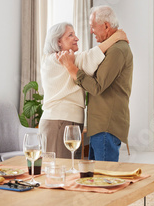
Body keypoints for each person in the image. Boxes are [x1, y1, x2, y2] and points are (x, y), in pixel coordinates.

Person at [39, 22, 127, 159]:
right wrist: (116, 37)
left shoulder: (69, 59)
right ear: (58, 42)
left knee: (70, 169)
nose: (76, 38)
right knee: (60, 170)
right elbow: (91, 57)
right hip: (58, 121)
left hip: (68, 121)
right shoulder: (56, 59)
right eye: (70, 35)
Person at [59, 5, 133, 162]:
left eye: (93, 27)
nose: (91, 31)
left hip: (106, 126)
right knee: (94, 178)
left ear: (106, 25)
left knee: (103, 178)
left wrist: (72, 69)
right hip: (99, 126)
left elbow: (97, 86)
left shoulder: (117, 50)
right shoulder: (110, 48)